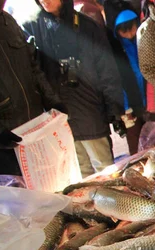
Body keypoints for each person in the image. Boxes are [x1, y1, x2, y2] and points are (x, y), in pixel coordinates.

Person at [24, 0, 124, 178]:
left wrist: (115, 111)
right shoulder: (34, 27)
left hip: (90, 111)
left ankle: (114, 204)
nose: (44, 1)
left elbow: (108, 71)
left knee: (106, 170)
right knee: (81, 173)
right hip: (61, 116)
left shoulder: (87, 26)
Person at [0, 0, 63, 176]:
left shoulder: (8, 21)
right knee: (17, 200)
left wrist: (52, 99)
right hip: (4, 144)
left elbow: (32, 65)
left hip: (34, 132)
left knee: (50, 190)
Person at [103, 0, 146, 154]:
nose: (130, 34)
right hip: (129, 107)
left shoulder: (142, 38)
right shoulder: (113, 48)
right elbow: (116, 82)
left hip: (148, 102)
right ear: (116, 30)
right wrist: (124, 108)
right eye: (124, 31)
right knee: (135, 142)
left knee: (152, 138)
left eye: (132, 28)